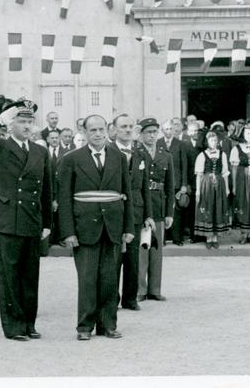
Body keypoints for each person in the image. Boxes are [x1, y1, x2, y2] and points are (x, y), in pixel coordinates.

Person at [0, 100, 52, 341]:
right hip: (6, 221)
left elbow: (46, 190)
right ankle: (13, 326)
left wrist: (47, 222)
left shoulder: (40, 151)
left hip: (30, 220)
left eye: (30, 121)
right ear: (11, 124)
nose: (27, 126)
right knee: (9, 277)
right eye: (21, 121)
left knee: (30, 276)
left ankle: (29, 323)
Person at [59, 115, 135, 341]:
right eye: (92, 130)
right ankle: (84, 327)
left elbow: (126, 194)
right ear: (84, 132)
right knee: (87, 279)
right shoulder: (71, 159)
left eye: (101, 129)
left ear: (108, 130)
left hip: (112, 227)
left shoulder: (119, 157)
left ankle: (108, 325)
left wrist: (128, 227)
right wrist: (68, 232)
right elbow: (64, 199)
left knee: (110, 279)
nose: (98, 134)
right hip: (84, 229)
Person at [109, 114, 147, 312]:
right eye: (123, 126)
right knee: (114, 258)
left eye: (130, 126)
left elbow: (144, 188)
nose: (127, 130)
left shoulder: (140, 153)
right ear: (114, 129)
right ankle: (112, 299)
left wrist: (148, 214)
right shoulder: (108, 151)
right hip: (115, 210)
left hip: (136, 211)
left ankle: (130, 299)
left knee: (133, 258)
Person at [134, 117, 173, 302]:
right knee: (142, 249)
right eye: (148, 132)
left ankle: (155, 289)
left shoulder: (166, 155)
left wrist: (169, 213)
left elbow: (170, 186)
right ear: (141, 134)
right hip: (141, 205)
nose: (152, 135)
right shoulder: (136, 153)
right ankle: (140, 289)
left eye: (154, 132)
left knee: (157, 250)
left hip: (158, 204)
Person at [194, 132, 231, 249]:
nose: (213, 143)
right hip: (206, 185)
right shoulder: (202, 155)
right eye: (211, 141)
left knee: (217, 208)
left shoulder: (222, 154)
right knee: (208, 208)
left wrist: (227, 188)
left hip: (219, 184)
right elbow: (199, 175)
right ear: (207, 142)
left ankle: (215, 237)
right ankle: (208, 237)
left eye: (215, 141)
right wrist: (198, 191)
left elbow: (225, 173)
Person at [158, 119, 188, 246]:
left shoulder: (180, 144)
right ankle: (162, 239)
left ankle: (177, 238)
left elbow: (184, 165)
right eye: (166, 129)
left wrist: (184, 184)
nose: (169, 131)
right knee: (162, 210)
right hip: (162, 182)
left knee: (177, 212)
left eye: (171, 129)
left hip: (176, 183)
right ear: (162, 130)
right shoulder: (158, 143)